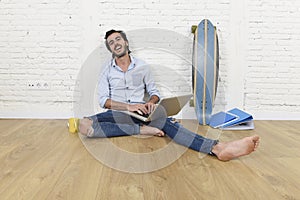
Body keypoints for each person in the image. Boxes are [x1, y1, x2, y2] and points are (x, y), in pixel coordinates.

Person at [78, 29, 260, 161]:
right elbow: (104, 101)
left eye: (118, 39)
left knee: (169, 124)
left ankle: (217, 148)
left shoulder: (142, 67)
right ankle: (141, 130)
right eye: (111, 42)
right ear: (110, 49)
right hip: (118, 112)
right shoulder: (106, 70)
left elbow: (154, 93)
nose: (115, 43)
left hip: (141, 112)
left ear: (126, 42)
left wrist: (150, 102)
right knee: (84, 125)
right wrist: (128, 107)